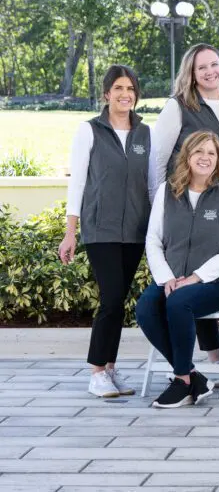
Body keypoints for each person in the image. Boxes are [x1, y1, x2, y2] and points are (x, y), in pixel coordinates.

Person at [149, 44, 219, 367]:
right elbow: (157, 160)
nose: (210, 72)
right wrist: (164, 206)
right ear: (190, 74)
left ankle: (207, 360)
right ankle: (198, 365)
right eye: (201, 67)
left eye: (214, 64)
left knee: (206, 274)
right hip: (186, 202)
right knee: (189, 273)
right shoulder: (178, 107)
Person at [59, 65, 151, 399]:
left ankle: (110, 369)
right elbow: (78, 183)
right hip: (101, 229)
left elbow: (151, 185)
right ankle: (97, 371)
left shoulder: (145, 134)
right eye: (118, 88)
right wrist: (70, 232)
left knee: (119, 301)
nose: (125, 94)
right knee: (111, 299)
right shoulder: (89, 131)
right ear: (106, 93)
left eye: (131, 88)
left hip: (136, 231)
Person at [136, 131, 219, 408]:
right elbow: (153, 240)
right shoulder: (167, 192)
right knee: (146, 307)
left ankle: (182, 381)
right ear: (187, 156)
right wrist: (167, 278)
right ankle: (191, 376)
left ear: (218, 159)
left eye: (211, 153)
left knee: (180, 302)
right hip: (172, 279)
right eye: (199, 152)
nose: (205, 158)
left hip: (218, 283)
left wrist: (196, 278)